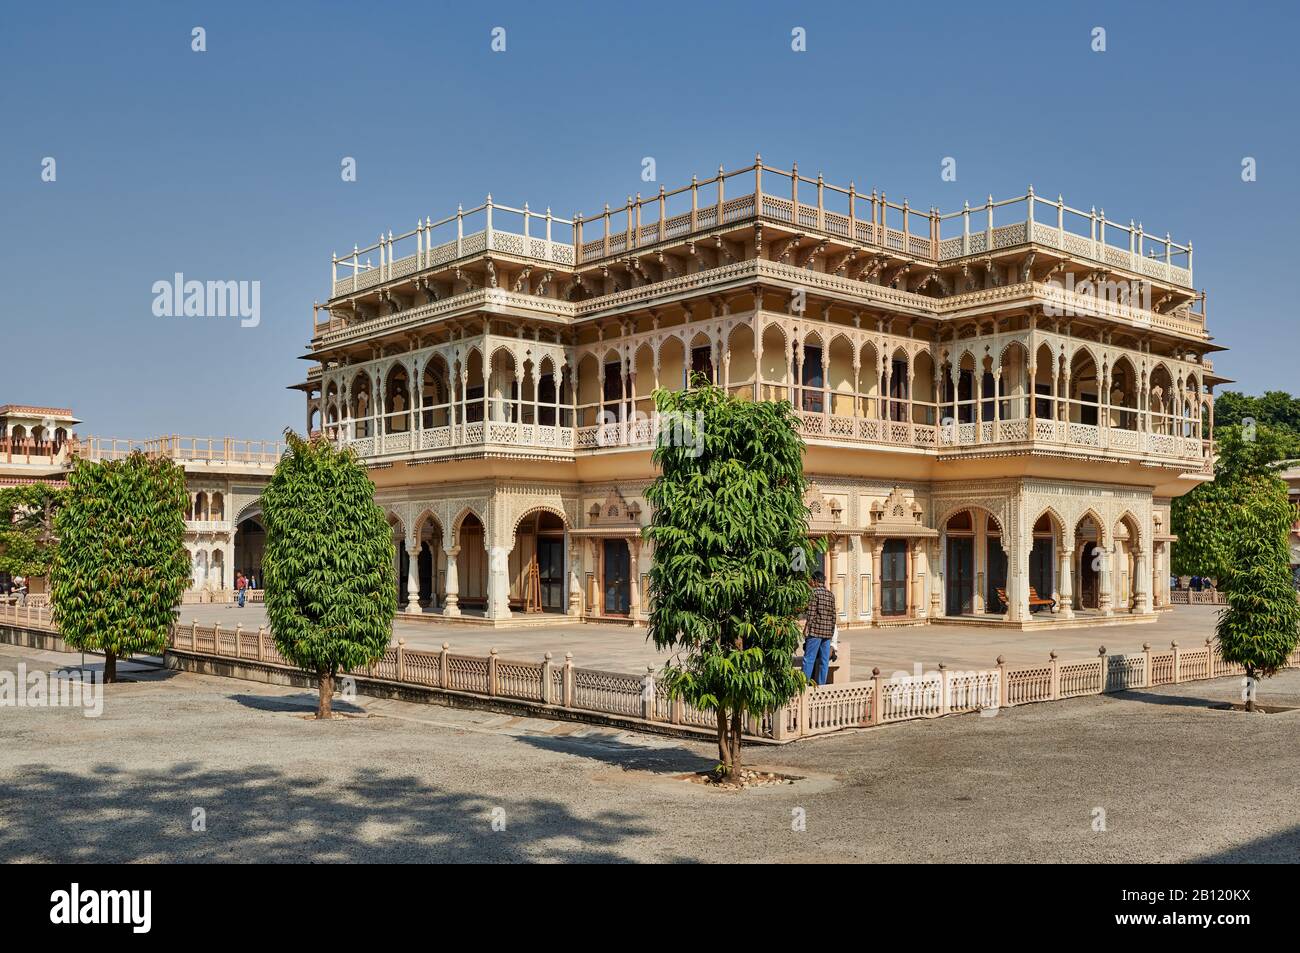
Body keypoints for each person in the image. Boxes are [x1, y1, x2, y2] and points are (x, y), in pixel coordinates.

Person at [801, 570, 837, 687]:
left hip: (815, 632)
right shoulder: (830, 594)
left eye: (811, 580)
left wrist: (806, 628)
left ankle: (804, 685)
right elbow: (833, 616)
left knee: (809, 659)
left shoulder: (814, 593)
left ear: (815, 581)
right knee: (823, 661)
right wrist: (831, 632)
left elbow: (811, 613)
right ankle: (821, 686)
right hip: (827, 633)